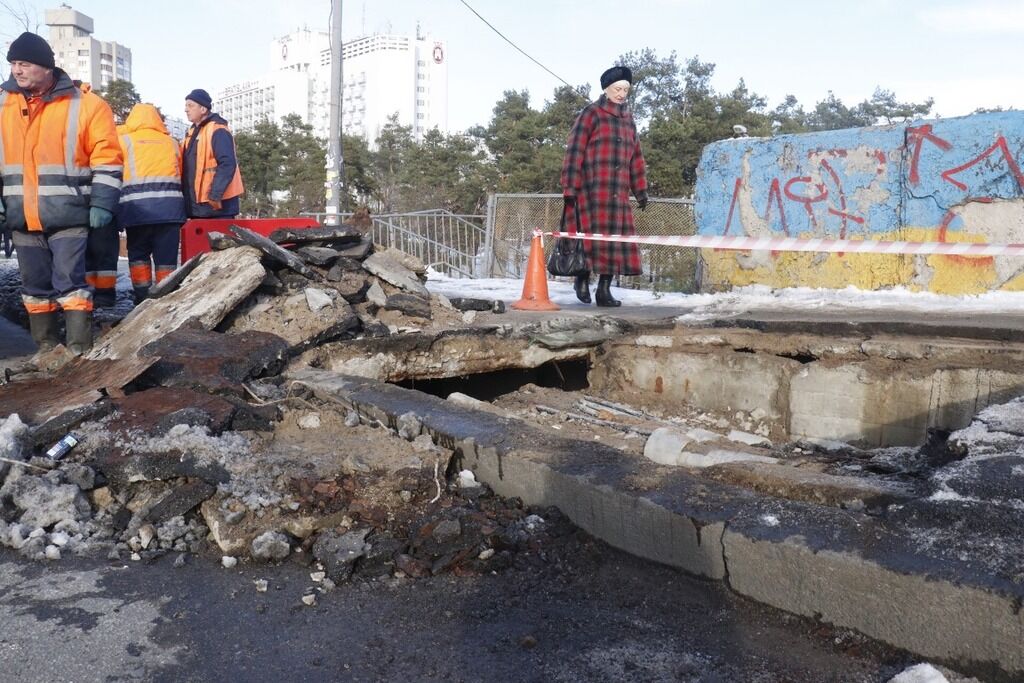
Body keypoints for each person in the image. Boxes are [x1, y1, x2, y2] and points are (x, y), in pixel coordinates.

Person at [0, 32, 122, 354]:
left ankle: (79, 351)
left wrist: (102, 203)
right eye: (13, 63)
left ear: (45, 66)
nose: (16, 70)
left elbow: (107, 159)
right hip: (21, 216)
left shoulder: (88, 106)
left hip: (69, 214)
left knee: (71, 285)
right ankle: (47, 353)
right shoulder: (2, 104)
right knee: (35, 289)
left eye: (23, 63)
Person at [561, 65, 648, 307]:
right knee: (588, 240)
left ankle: (604, 291)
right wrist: (570, 186)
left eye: (626, 90)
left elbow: (636, 157)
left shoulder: (629, 121)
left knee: (613, 243)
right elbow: (574, 151)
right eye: (618, 89)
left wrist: (640, 189)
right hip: (591, 191)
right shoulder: (591, 114)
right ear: (607, 89)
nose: (622, 94)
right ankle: (581, 277)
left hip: (618, 195)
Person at [117, 103, 186, 303]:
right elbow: (181, 173)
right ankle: (165, 298)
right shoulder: (172, 143)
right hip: (169, 211)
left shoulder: (125, 141)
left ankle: (142, 298)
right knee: (167, 261)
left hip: (137, 211)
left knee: (139, 257)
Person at [181, 89, 243, 219]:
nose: (186, 109)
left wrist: (215, 195)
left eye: (190, 105)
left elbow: (227, 163)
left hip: (218, 208)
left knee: (221, 240)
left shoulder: (217, 130)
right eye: (186, 106)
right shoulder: (192, 133)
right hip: (198, 208)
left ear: (203, 109)